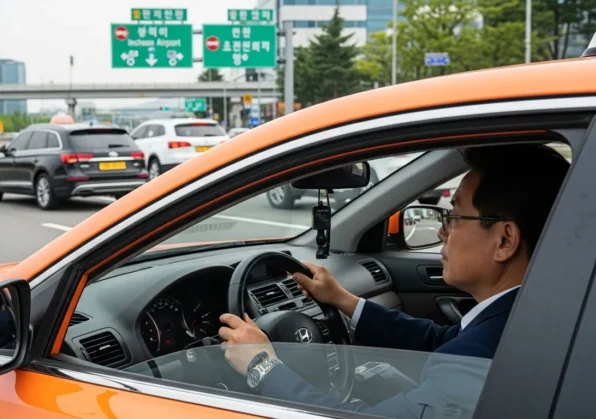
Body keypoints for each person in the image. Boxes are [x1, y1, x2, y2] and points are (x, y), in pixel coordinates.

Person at [218, 144, 571, 417]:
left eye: (454, 216)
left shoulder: (479, 360)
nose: (441, 231)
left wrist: (262, 365)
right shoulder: (526, 317)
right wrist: (343, 299)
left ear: (505, 240)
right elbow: (442, 340)